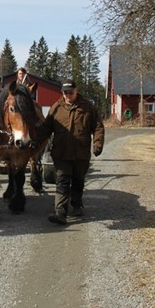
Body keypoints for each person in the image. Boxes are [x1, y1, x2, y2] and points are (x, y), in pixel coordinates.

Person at [36, 79, 105, 225]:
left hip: (81, 153)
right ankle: (60, 212)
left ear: (76, 91)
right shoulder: (56, 107)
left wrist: (97, 144)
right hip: (61, 153)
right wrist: (35, 141)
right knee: (62, 181)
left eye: (70, 92)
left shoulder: (88, 107)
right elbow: (46, 128)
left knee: (78, 181)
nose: (68, 95)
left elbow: (98, 127)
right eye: (65, 93)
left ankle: (77, 204)